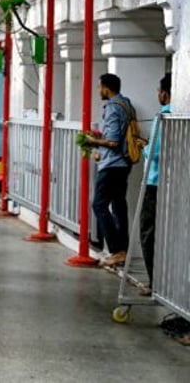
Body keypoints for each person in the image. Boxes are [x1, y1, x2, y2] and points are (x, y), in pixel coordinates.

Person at [83, 73, 136, 268]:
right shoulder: (126, 104)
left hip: (112, 165)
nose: (99, 91)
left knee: (99, 205)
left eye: (100, 87)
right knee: (119, 206)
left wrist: (93, 141)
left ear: (106, 88)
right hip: (123, 163)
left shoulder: (113, 108)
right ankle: (123, 250)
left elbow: (113, 141)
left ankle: (116, 250)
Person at [140, 73, 170, 294]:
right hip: (175, 185)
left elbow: (156, 152)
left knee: (148, 233)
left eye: (159, 90)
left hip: (156, 182)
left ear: (165, 93)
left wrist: (144, 147)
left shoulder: (165, 116)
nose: (157, 94)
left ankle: (155, 282)